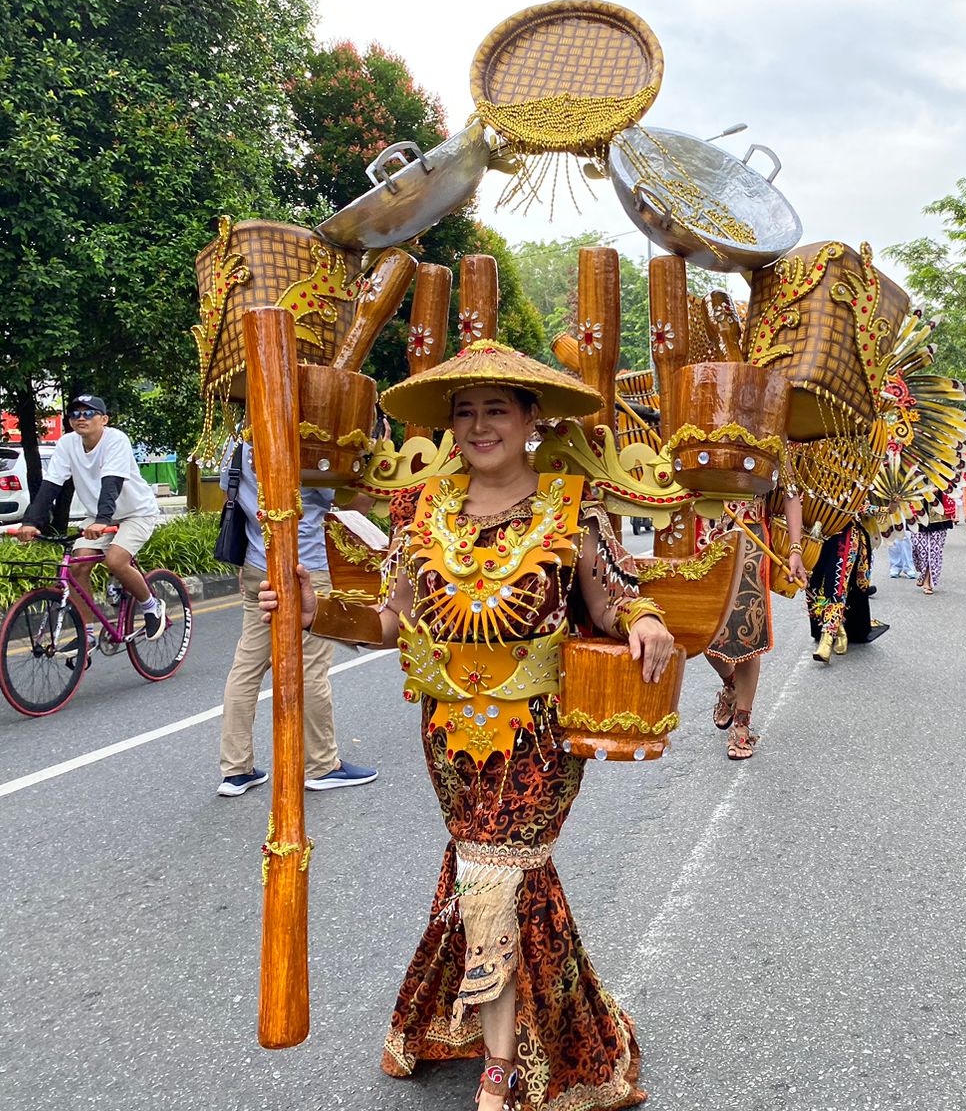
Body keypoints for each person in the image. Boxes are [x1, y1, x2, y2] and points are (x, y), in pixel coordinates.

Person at [261, 342, 673, 1110]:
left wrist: (643, 620)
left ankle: (500, 1069)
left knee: (498, 869)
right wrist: (321, 613)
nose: (480, 425)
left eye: (496, 410)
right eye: (465, 412)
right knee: (499, 876)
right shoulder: (420, 512)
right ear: (450, 427)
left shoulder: (571, 503)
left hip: (540, 732)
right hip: (448, 729)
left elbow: (614, 594)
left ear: (530, 421)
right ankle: (558, 1027)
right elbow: (393, 619)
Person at [215, 441, 377, 796]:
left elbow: (226, 486)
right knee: (311, 668)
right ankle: (322, 764)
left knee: (247, 667)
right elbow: (355, 502)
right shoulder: (305, 443)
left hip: (258, 565)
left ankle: (235, 769)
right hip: (307, 569)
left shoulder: (240, 444)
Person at [15, 394, 166, 651]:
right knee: (76, 567)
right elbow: (51, 485)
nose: (80, 418)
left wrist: (103, 520)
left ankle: (152, 606)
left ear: (104, 419)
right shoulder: (67, 444)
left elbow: (112, 483)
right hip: (99, 516)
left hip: (136, 512)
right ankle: (87, 635)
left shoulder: (116, 439)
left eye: (88, 413)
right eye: (74, 414)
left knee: (116, 560)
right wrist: (30, 521)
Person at [705, 489, 807, 760]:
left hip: (749, 537)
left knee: (748, 635)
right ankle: (731, 683)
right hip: (702, 534)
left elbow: (790, 492)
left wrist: (795, 549)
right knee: (702, 632)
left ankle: (741, 724)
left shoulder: (775, 443)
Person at [806, 519, 886, 662]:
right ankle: (840, 629)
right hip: (815, 532)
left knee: (837, 583)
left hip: (846, 534)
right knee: (814, 583)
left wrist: (888, 508)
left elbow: (862, 507)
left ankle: (827, 637)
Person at [912, 491, 956, 594]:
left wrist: (938, 488)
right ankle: (923, 573)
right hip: (917, 506)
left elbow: (951, 481)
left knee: (934, 549)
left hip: (939, 511)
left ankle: (927, 580)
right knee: (918, 546)